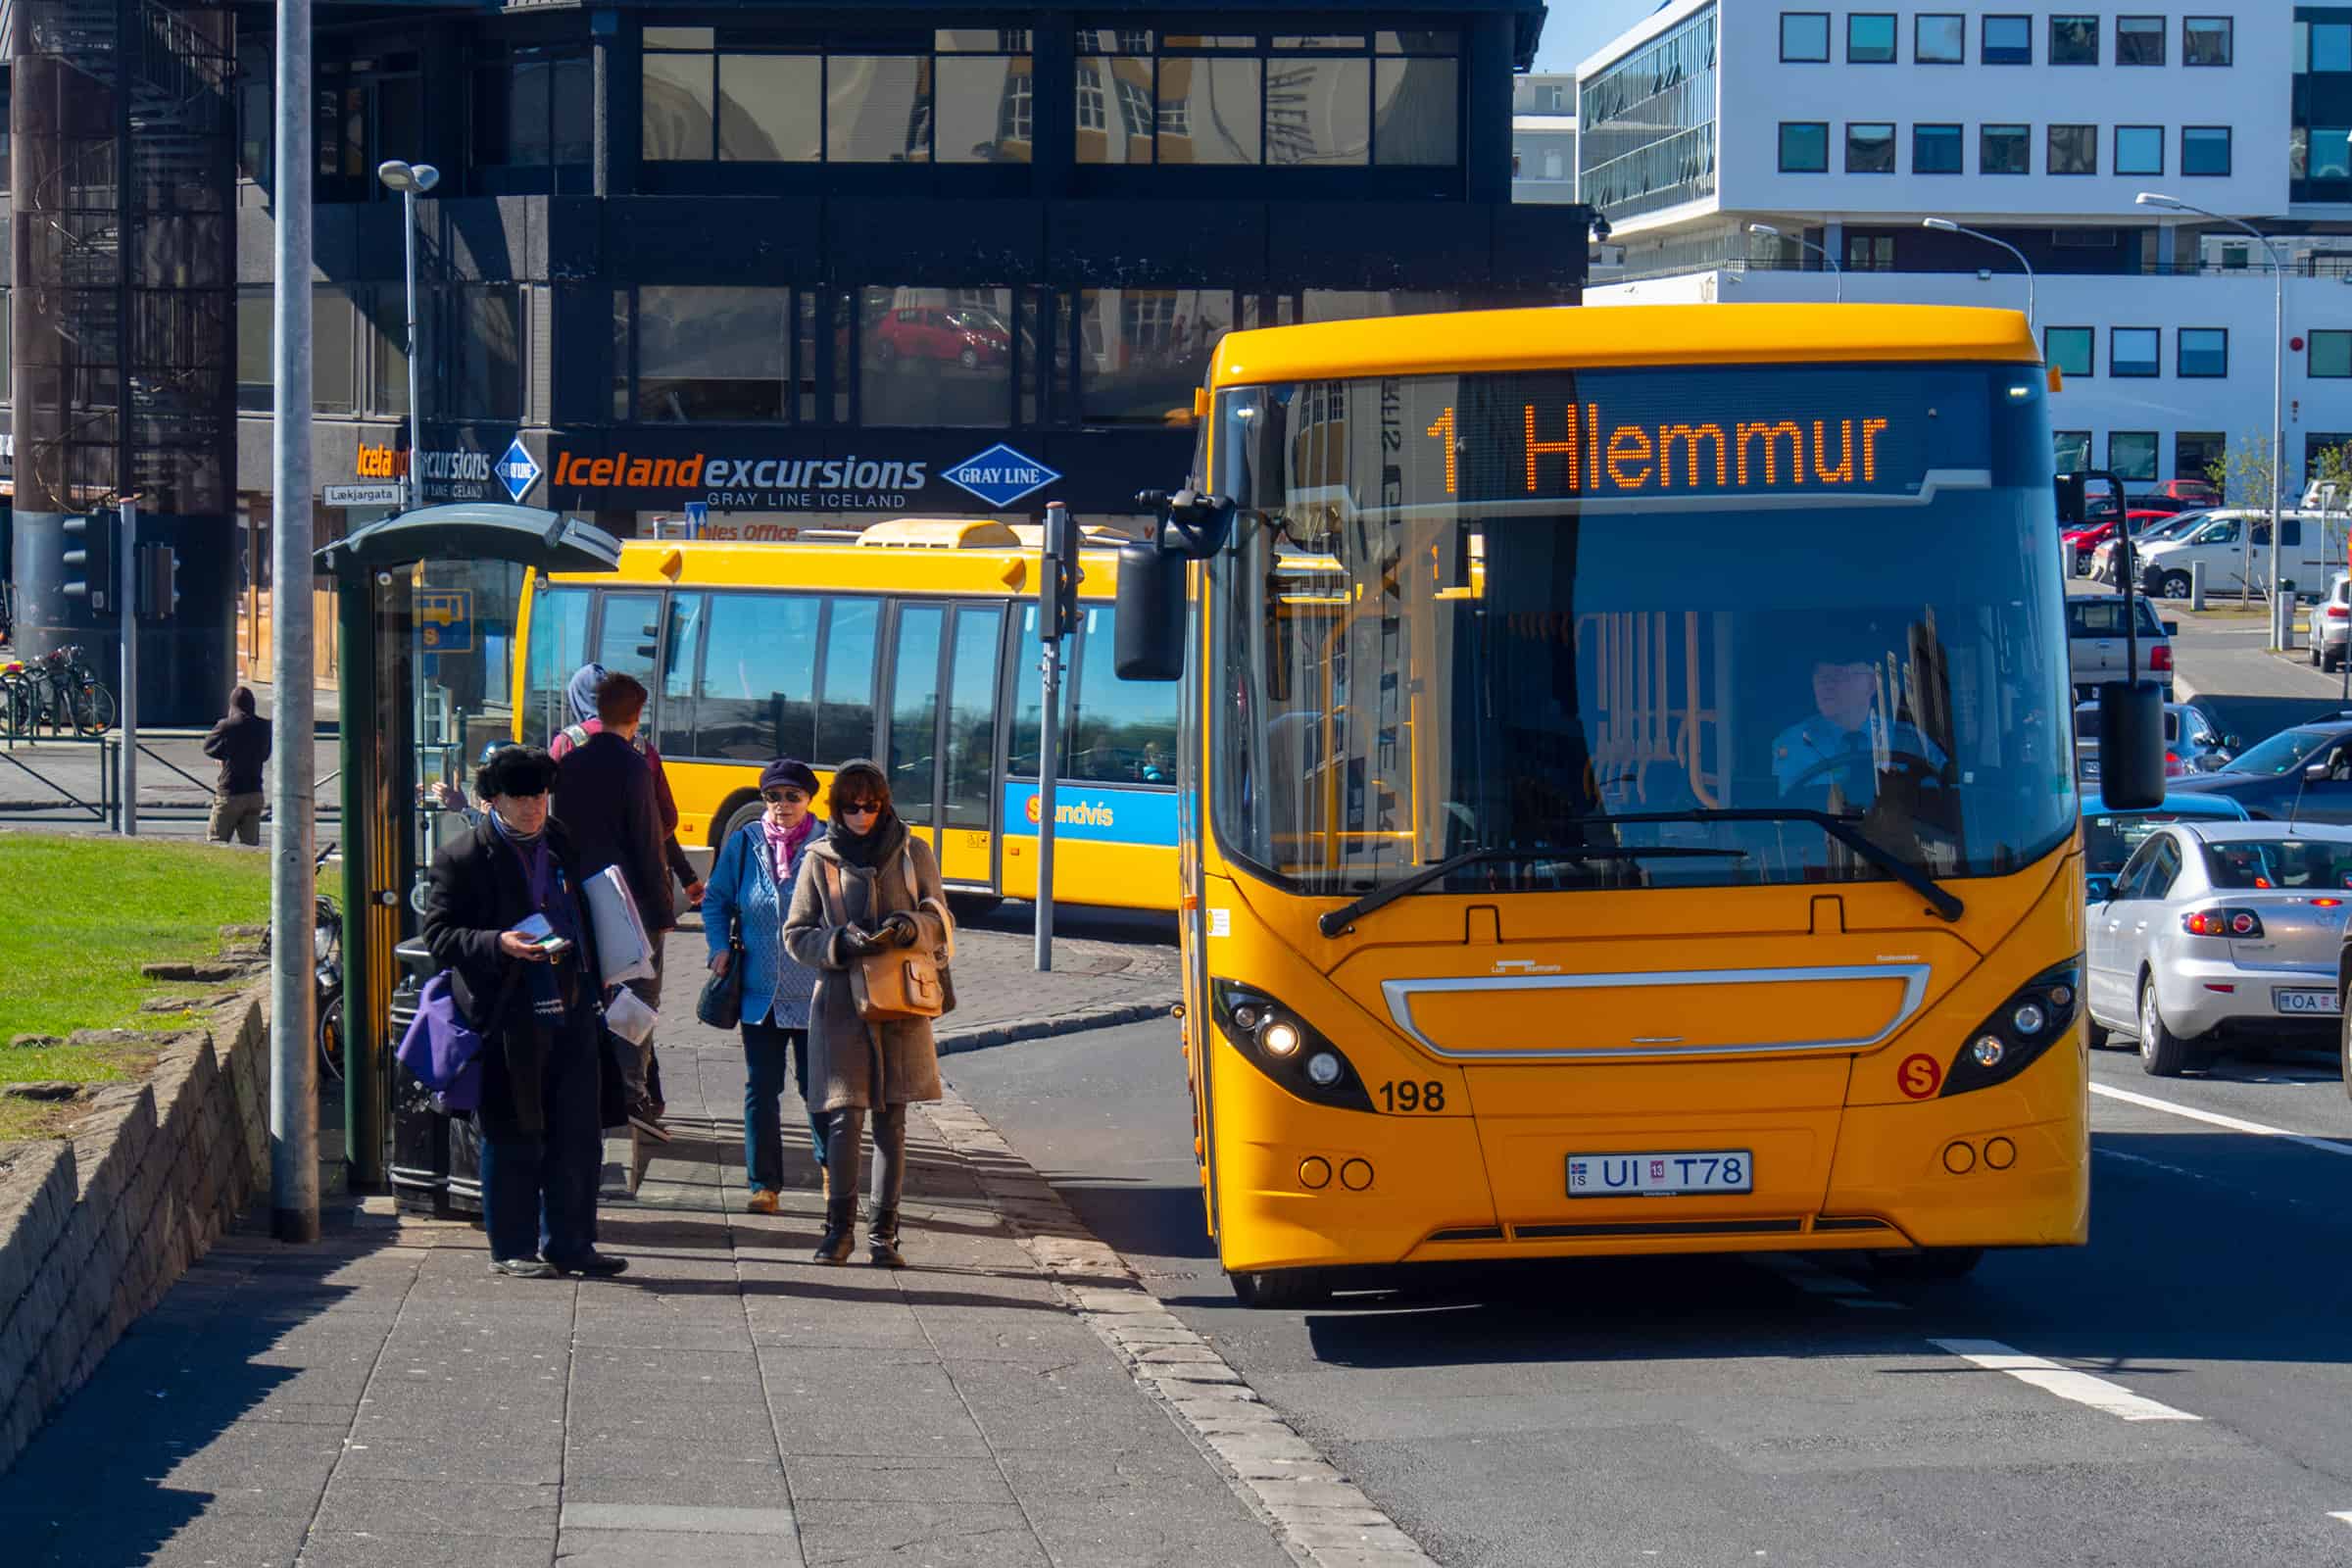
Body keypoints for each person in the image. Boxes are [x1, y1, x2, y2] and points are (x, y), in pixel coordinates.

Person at [421, 746, 626, 1280]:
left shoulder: (561, 842)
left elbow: (588, 905)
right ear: (492, 800)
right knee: (513, 1131)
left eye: (540, 794)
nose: (534, 805)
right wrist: (498, 942)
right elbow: (438, 935)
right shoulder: (463, 857)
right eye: (520, 796)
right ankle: (511, 1247)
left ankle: (571, 1245)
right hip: (509, 1013)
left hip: (574, 1001)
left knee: (578, 1133)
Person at [784, 760, 952, 1267]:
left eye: (871, 806)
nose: (861, 816)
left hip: (901, 1001)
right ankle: (838, 1233)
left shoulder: (912, 850)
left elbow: (939, 916)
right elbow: (795, 934)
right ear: (836, 808)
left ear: (885, 804)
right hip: (841, 1005)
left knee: (892, 1120)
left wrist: (910, 926)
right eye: (851, 807)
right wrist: (840, 942)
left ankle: (884, 1236)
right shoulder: (820, 858)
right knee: (844, 1119)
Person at [554, 662, 703, 1120]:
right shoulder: (636, 763)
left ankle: (590, 1087)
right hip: (632, 900)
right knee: (639, 997)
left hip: (583, 897)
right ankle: (630, 1093)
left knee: (592, 993)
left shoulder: (568, 756)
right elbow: (649, 834)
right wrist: (664, 909)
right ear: (637, 715)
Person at [705, 759, 832, 1214]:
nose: (781, 806)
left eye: (792, 796)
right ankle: (764, 1185)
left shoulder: (828, 845)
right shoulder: (745, 844)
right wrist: (718, 946)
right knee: (761, 1088)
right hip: (759, 993)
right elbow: (716, 900)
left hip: (817, 993)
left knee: (818, 1088)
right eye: (772, 797)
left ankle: (832, 1172)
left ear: (809, 800)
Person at [1771, 645, 1946, 808]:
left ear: (1871, 684)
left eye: (1840, 675)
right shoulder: (1792, 744)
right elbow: (1782, 817)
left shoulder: (1910, 742)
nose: (1826, 685)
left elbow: (1950, 798)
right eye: (1821, 676)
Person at [202, 687, 272, 845]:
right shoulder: (264, 726)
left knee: (216, 843)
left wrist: (224, 756)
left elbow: (208, 747)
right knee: (250, 846)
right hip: (255, 792)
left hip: (230, 791)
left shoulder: (226, 726)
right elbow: (265, 755)